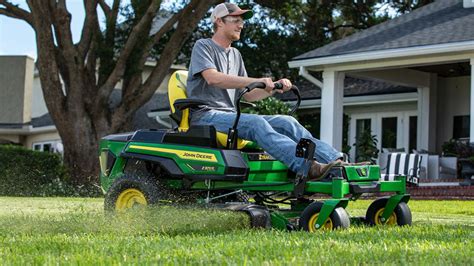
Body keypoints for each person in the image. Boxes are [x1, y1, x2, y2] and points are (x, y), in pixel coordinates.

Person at [186, 3, 344, 179]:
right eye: (236, 20)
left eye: (242, 21)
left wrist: (273, 87)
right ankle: (308, 167)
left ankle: (337, 162)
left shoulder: (235, 55)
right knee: (255, 123)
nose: (241, 25)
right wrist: (257, 80)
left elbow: (247, 94)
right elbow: (213, 78)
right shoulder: (203, 46)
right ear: (219, 21)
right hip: (205, 117)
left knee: (287, 122)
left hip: (230, 116)